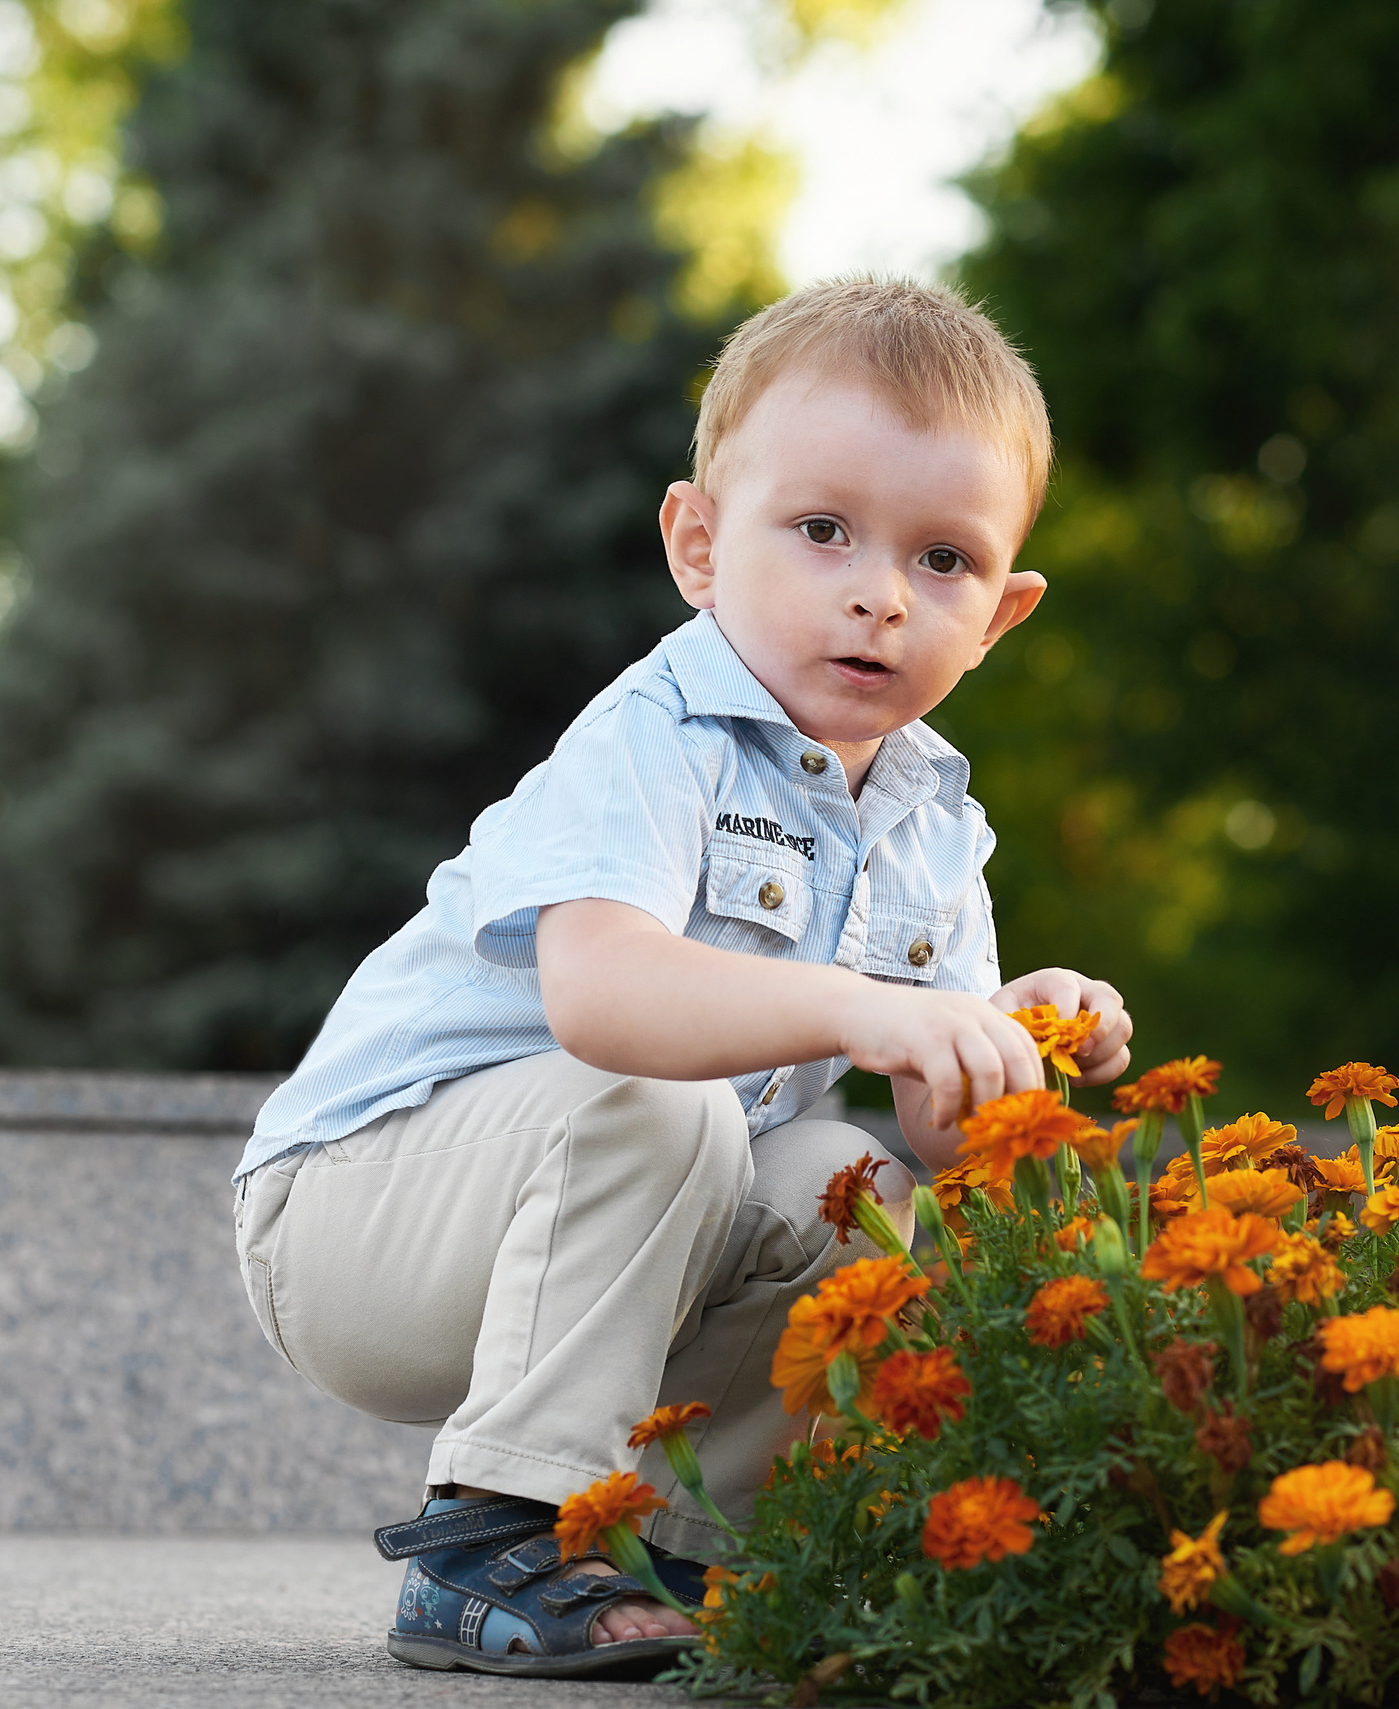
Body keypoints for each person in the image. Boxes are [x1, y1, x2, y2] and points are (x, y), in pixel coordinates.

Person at [230, 277, 1133, 1677]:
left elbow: (944, 1144)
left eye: (941, 559)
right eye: (823, 528)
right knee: (668, 1099)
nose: (878, 591)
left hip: (611, 1238)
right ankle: (493, 1536)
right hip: (362, 1218)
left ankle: (695, 1552)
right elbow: (606, 1003)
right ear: (700, 546)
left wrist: (999, 1044)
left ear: (1002, 614)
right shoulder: (658, 733)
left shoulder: (937, 828)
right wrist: (861, 1004)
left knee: (859, 1183)